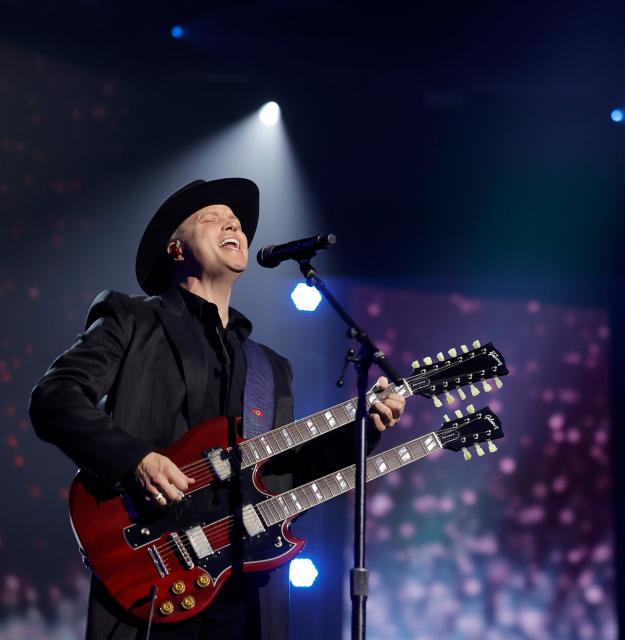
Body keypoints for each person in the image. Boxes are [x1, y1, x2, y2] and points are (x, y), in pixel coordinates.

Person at [28, 178, 405, 639]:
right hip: (151, 581)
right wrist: (134, 461)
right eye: (212, 217)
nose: (233, 224)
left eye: (238, 223)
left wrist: (365, 430)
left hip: (244, 596)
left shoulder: (270, 368)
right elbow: (55, 397)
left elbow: (285, 476)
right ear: (174, 248)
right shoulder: (131, 319)